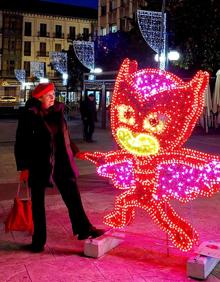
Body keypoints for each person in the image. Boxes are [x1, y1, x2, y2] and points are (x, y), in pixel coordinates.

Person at [15, 83, 104, 253]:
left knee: (72, 195)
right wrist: (24, 167)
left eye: (53, 93)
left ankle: (84, 228)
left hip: (61, 161)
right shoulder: (29, 115)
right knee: (38, 204)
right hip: (39, 163)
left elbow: (65, 135)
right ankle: (38, 241)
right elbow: (21, 142)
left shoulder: (57, 112)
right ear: (39, 98)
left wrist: (76, 151)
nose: (53, 97)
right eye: (49, 95)